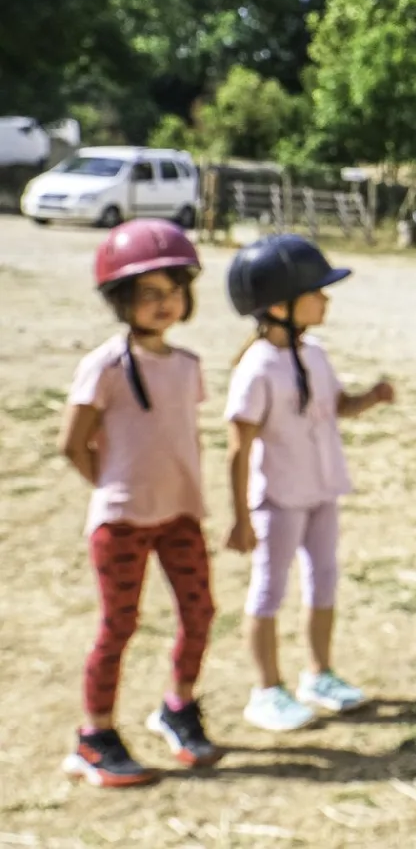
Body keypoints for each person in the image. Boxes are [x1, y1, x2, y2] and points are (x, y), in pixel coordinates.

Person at [60, 221, 221, 787]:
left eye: (173, 290)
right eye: (149, 293)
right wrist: (113, 487)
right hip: (123, 522)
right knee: (118, 625)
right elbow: (73, 442)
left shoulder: (188, 365)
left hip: (180, 514)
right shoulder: (103, 366)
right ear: (120, 299)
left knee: (199, 614)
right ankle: (95, 736)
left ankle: (179, 707)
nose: (164, 303)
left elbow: (184, 435)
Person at [225, 235, 395, 733]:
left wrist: (371, 398)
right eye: (317, 291)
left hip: (322, 489)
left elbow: (335, 406)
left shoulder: (315, 353)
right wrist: (240, 518)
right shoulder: (257, 368)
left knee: (324, 580)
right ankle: (266, 690)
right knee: (268, 590)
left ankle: (319, 674)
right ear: (280, 306)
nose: (326, 299)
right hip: (279, 498)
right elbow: (238, 448)